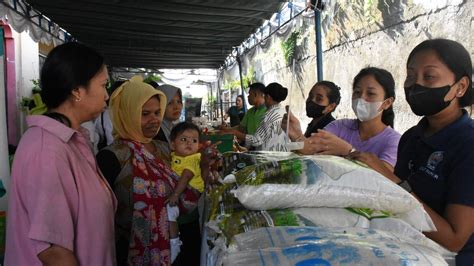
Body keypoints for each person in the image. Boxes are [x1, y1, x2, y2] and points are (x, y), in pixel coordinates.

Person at [347, 39, 474, 265]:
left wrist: (392, 181)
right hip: (407, 246)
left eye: (429, 77)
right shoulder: (411, 137)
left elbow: (454, 240)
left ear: (460, 87)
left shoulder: (468, 143)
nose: (416, 85)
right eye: (411, 76)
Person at [5, 42, 117, 265]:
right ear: (77, 90)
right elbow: (53, 252)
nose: (107, 95)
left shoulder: (72, 139)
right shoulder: (47, 150)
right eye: (104, 85)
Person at [295, 67, 401, 170]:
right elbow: (309, 147)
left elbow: (385, 178)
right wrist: (296, 136)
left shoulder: (393, 140)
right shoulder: (340, 126)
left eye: (370, 93)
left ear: (387, 103)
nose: (361, 98)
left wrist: (349, 151)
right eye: (357, 92)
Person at [240, 82, 289, 151]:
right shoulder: (283, 111)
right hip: (282, 153)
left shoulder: (268, 116)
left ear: (268, 97)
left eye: (264, 96)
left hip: (270, 157)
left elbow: (256, 140)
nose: (264, 99)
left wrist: (235, 133)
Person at [221, 83, 267, 148]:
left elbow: (258, 139)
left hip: (264, 150)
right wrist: (227, 129)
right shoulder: (250, 111)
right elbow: (241, 127)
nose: (248, 97)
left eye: (249, 94)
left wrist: (234, 132)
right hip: (250, 148)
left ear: (255, 94)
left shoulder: (268, 112)